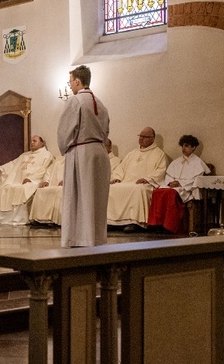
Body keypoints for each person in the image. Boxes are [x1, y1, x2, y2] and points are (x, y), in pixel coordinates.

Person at [57, 65, 111, 248]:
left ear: (78, 81)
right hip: (99, 152)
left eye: (70, 81)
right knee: (95, 197)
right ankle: (96, 237)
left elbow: (65, 130)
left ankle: (78, 238)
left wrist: (64, 147)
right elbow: (106, 131)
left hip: (81, 151)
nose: (70, 85)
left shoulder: (74, 101)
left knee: (79, 197)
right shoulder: (100, 103)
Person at [107, 127, 168, 232]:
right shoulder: (132, 153)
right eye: (140, 136)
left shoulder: (159, 154)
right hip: (127, 181)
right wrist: (117, 177)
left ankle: (135, 222)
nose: (141, 138)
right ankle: (111, 222)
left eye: (145, 137)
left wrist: (147, 179)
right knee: (112, 188)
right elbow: (121, 168)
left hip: (145, 184)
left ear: (152, 139)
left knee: (138, 190)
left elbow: (161, 171)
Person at [147, 134, 211, 234]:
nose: (183, 148)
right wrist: (170, 182)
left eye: (186, 146)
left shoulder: (198, 163)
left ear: (193, 147)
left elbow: (196, 179)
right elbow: (168, 175)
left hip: (186, 189)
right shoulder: (176, 162)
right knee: (157, 192)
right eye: (182, 146)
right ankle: (155, 224)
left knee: (171, 194)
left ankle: (169, 226)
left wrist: (180, 183)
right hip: (173, 186)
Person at [0, 135, 54, 225]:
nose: (32, 143)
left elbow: (44, 170)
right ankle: (6, 220)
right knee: (5, 188)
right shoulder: (25, 155)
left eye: (34, 141)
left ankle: (19, 219)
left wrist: (31, 179)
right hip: (19, 181)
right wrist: (2, 168)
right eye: (31, 141)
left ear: (42, 143)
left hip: (35, 181)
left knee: (22, 189)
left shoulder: (47, 155)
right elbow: (13, 164)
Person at [28, 155, 65, 226]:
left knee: (58, 191)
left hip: (65, 185)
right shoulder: (59, 159)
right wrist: (46, 181)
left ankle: (53, 220)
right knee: (40, 190)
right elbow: (49, 171)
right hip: (54, 184)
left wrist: (66, 180)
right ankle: (38, 219)